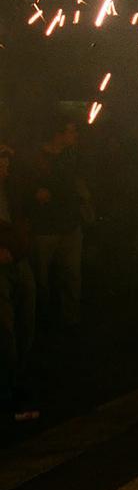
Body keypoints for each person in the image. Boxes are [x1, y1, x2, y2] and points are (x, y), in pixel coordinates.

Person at [29, 116, 86, 328]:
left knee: (72, 276)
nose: (75, 135)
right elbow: (31, 188)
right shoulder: (38, 158)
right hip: (46, 227)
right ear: (58, 134)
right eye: (71, 131)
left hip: (69, 225)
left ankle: (69, 319)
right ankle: (42, 321)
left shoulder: (72, 156)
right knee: (42, 278)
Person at [0, 146, 38, 421]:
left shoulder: (10, 188)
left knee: (25, 323)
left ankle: (14, 384)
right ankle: (5, 395)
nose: (6, 165)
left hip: (19, 259)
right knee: (5, 332)